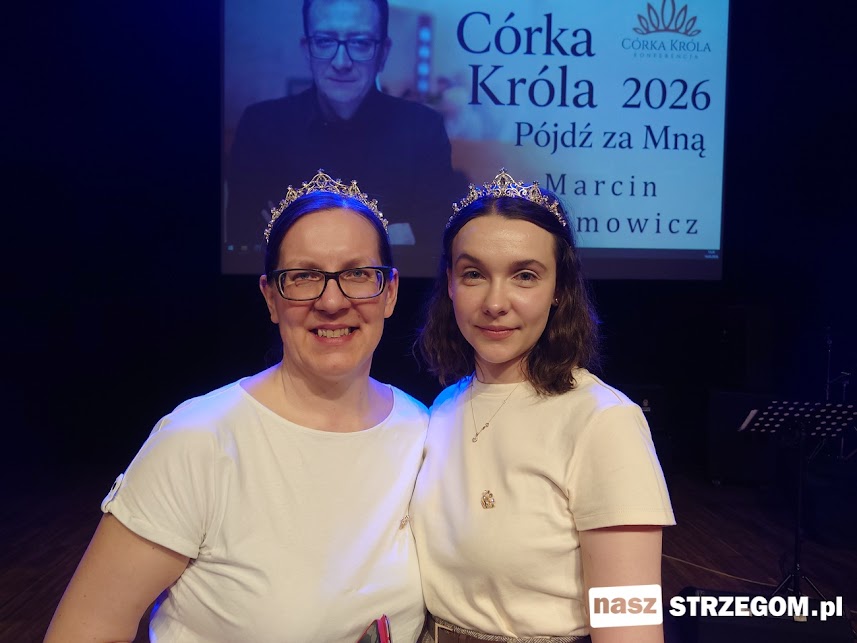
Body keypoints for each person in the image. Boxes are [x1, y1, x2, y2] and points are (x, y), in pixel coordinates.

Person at [46, 171, 428, 643]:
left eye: (357, 274)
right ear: (271, 297)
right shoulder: (200, 440)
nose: (332, 301)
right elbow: (86, 628)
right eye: (304, 276)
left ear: (389, 292)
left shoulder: (420, 430)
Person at [411, 169, 676, 643]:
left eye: (524, 276)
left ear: (559, 290)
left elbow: (629, 623)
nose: (495, 302)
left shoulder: (602, 420)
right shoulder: (445, 406)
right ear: (450, 283)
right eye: (474, 274)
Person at [225, 0, 466, 276]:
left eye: (361, 43)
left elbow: (431, 250)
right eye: (325, 41)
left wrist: (294, 234)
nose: (341, 62)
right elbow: (244, 249)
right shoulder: (260, 126)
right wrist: (388, 234)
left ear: (383, 53)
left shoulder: (424, 129)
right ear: (307, 50)